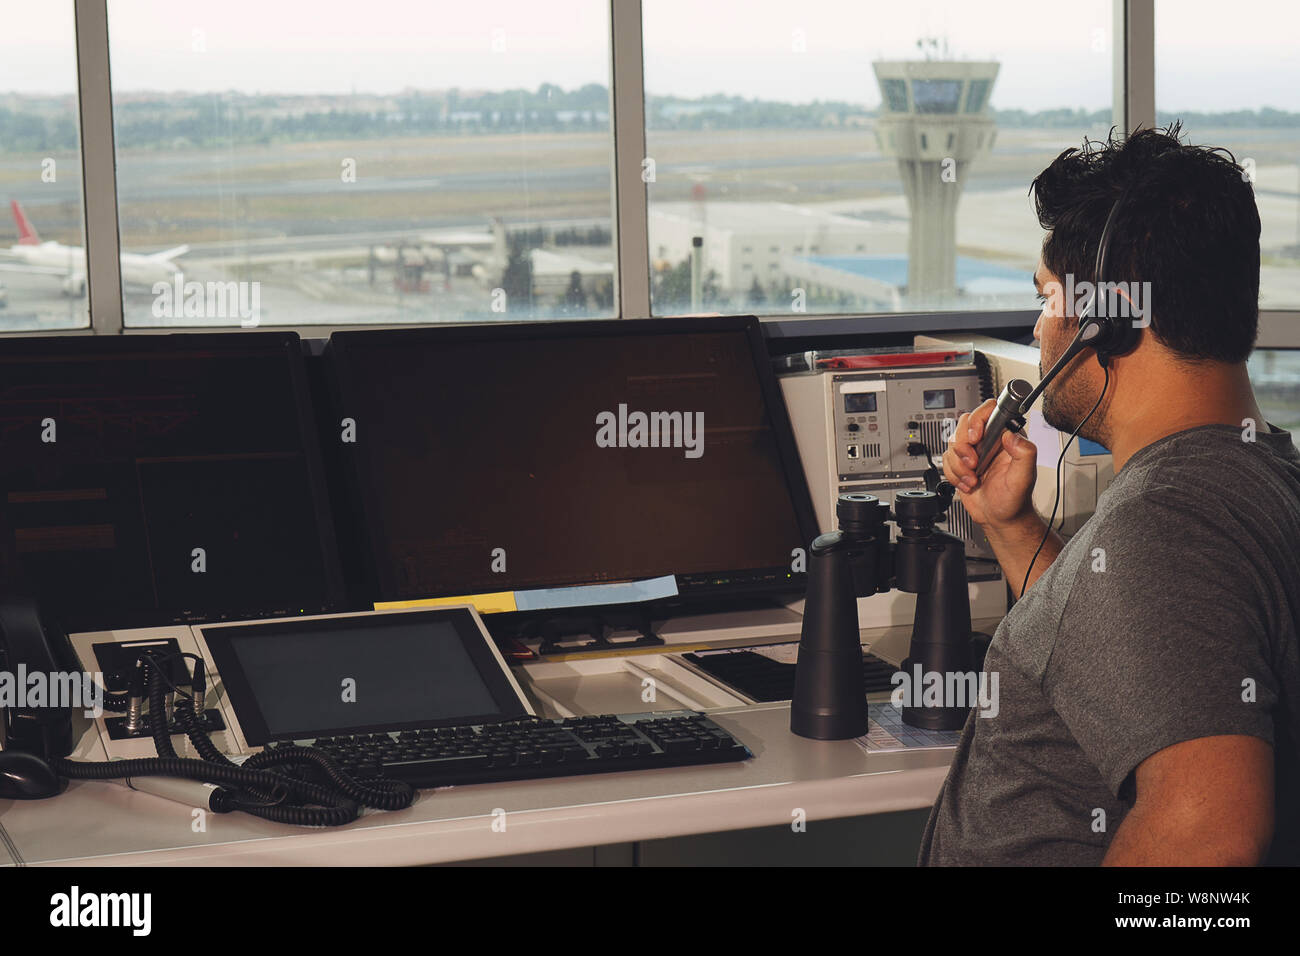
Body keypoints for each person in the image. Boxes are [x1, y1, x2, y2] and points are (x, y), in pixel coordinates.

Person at [918, 124, 1300, 865]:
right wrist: (1011, 523)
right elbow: (1120, 651)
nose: (1039, 328)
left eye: (1046, 299)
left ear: (1110, 319)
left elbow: (1212, 833)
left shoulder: (1164, 525)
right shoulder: (1259, 479)